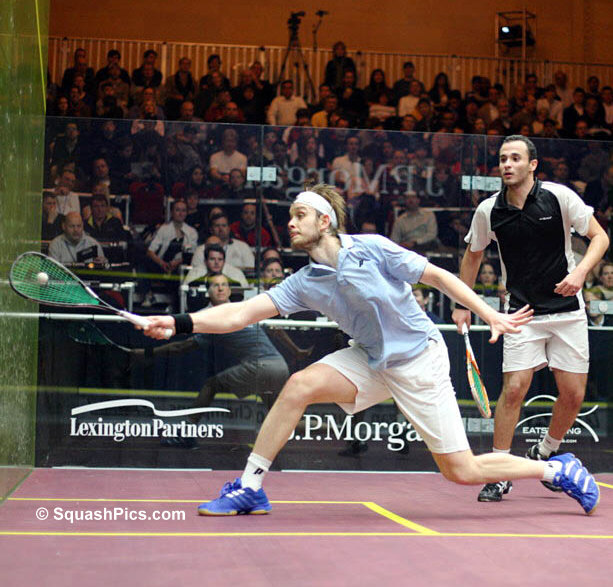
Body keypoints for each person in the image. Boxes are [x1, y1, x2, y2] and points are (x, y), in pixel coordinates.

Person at [143, 182, 600, 517]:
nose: (290, 222)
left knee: (461, 471)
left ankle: (556, 471)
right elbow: (240, 314)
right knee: (299, 385)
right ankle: (250, 487)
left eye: (300, 215)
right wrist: (179, 322)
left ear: (324, 221)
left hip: (419, 360)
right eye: (290, 216)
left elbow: (438, 276)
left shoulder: (373, 249)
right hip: (370, 358)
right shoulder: (304, 282)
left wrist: (488, 314)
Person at [452, 135, 609, 503]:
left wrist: (580, 272)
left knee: (573, 394)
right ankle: (500, 473)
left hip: (568, 313)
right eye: (503, 159)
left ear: (532, 165)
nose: (507, 164)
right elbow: (473, 256)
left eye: (515, 158)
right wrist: (462, 303)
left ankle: (544, 451)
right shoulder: (489, 210)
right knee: (514, 390)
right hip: (522, 314)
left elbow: (600, 237)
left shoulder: (559, 197)